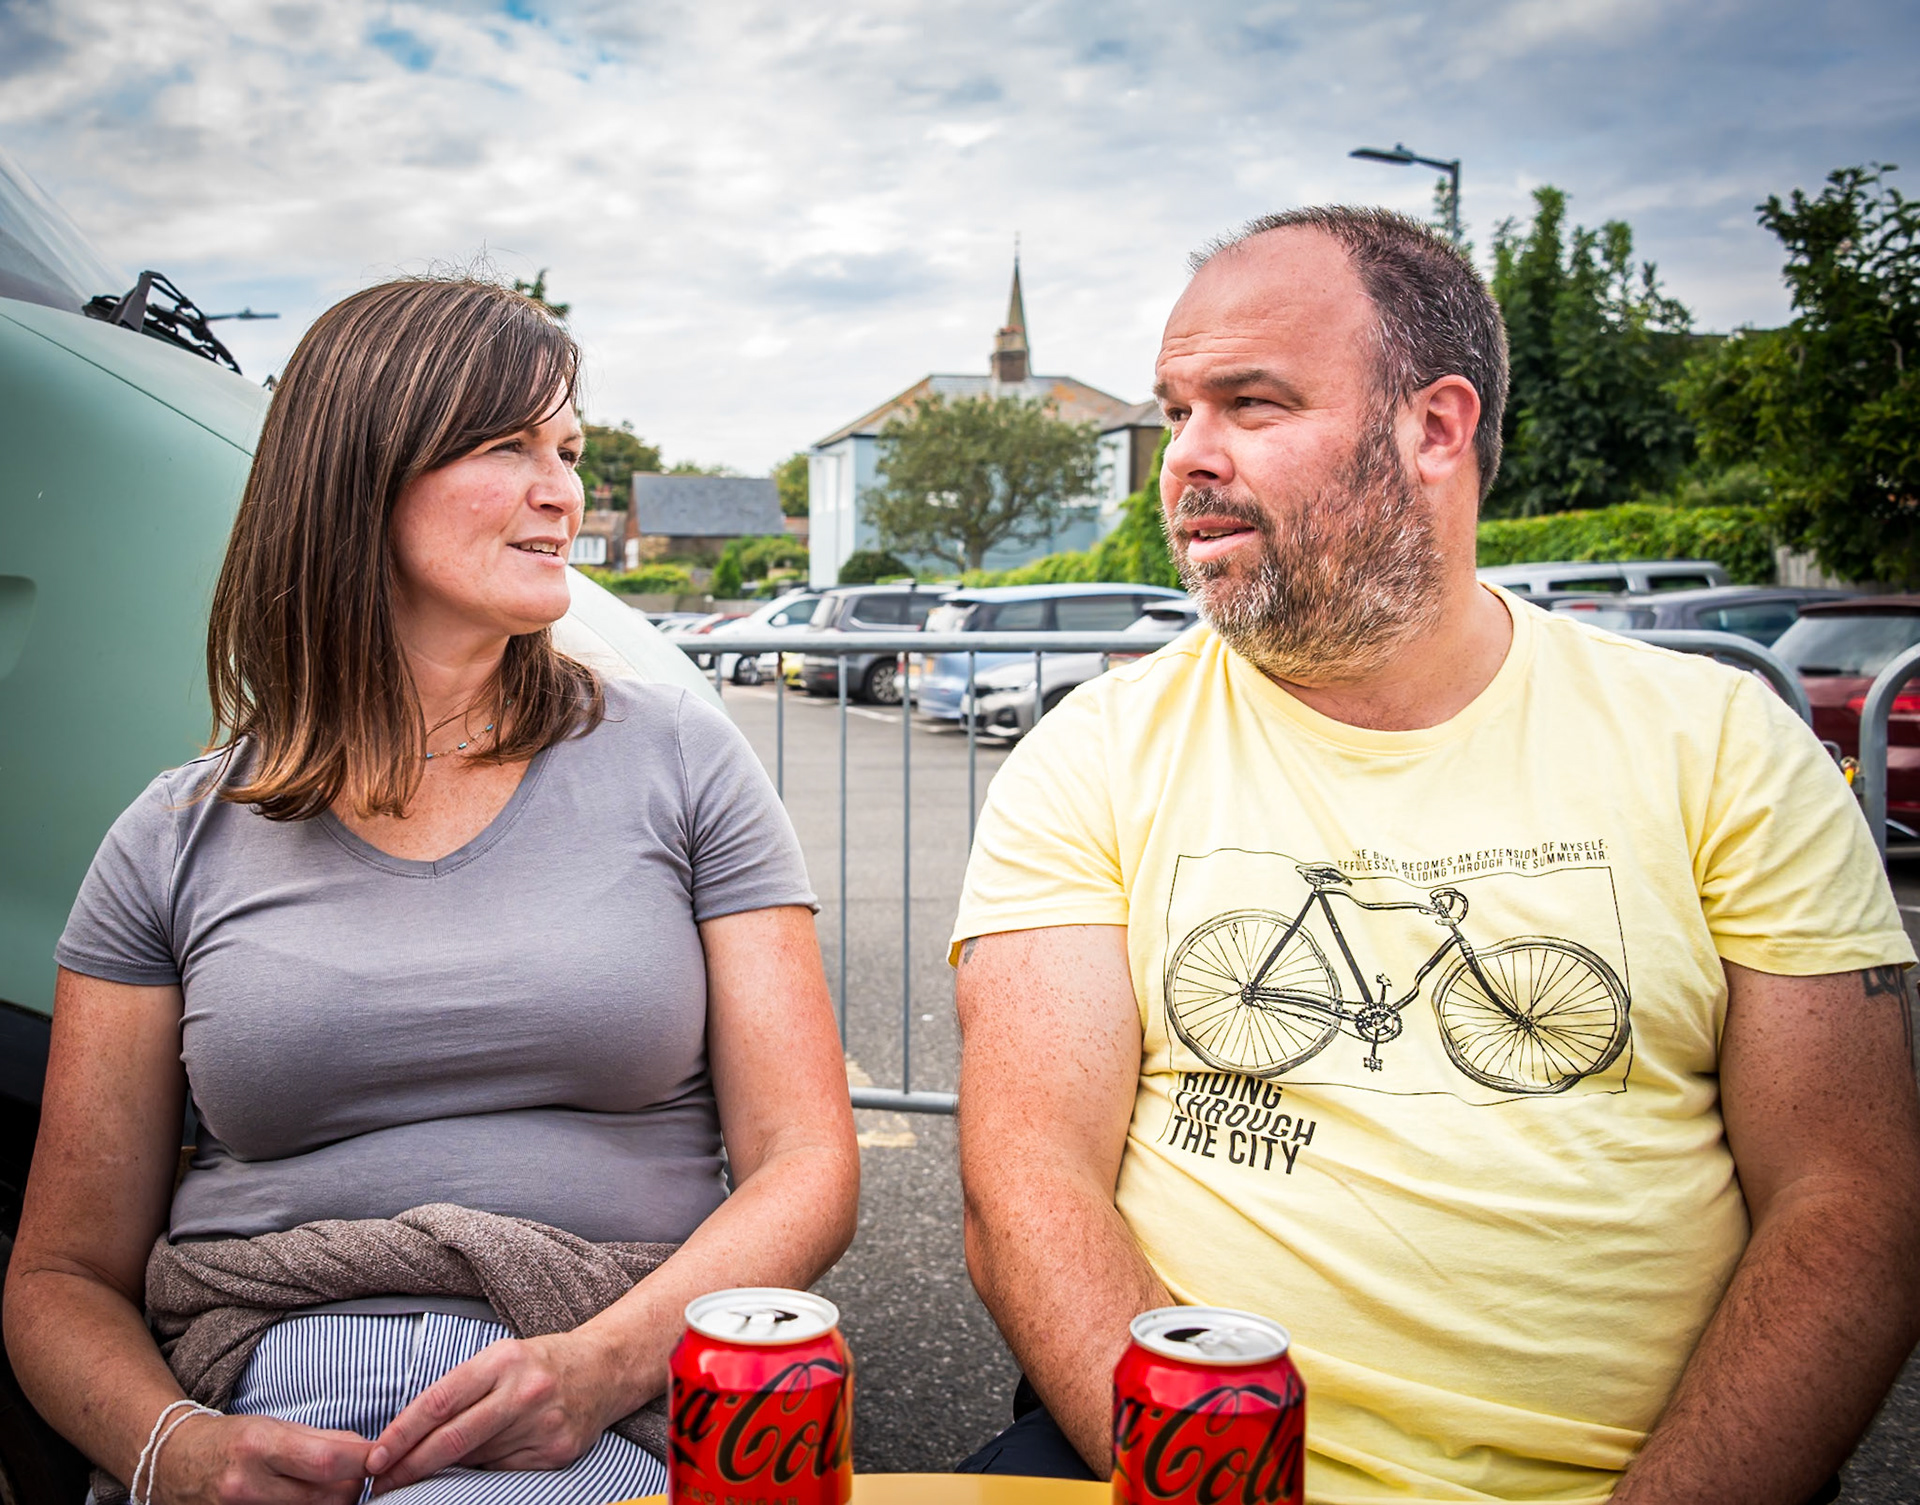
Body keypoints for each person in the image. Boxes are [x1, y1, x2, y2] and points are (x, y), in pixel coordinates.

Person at [950, 207, 1920, 1503]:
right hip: (1178, 1461)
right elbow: (1027, 1185)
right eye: (1177, 411)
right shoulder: (1094, 754)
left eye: (1250, 402)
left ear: (1436, 426)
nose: (1185, 458)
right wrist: (1205, 1475)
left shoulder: (1722, 744)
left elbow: (1854, 1200)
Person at [3, 276, 859, 1505]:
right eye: (508, 444)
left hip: (608, 1403)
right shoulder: (170, 837)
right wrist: (177, 1450)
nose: (563, 489)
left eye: (567, 448)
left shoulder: (681, 758)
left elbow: (808, 1158)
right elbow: (62, 1274)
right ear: (362, 470)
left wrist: (604, 1362)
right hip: (263, 1398)